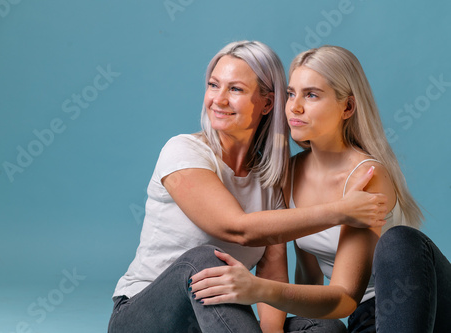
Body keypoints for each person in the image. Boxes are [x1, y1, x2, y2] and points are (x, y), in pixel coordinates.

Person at [107, 41, 388, 333]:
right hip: (144, 317)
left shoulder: (271, 177)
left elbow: (273, 269)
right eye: (214, 85)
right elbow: (238, 229)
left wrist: (273, 331)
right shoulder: (182, 152)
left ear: (267, 103)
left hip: (209, 324)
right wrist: (341, 211)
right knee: (205, 261)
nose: (219, 99)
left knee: (323, 328)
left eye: (235, 89)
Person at [189, 45, 451, 332]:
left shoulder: (367, 176)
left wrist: (257, 289)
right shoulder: (290, 173)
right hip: (364, 319)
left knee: (400, 240)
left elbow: (345, 297)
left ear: (347, 107)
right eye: (291, 94)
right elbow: (308, 279)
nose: (295, 107)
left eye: (311, 95)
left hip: (424, 310)